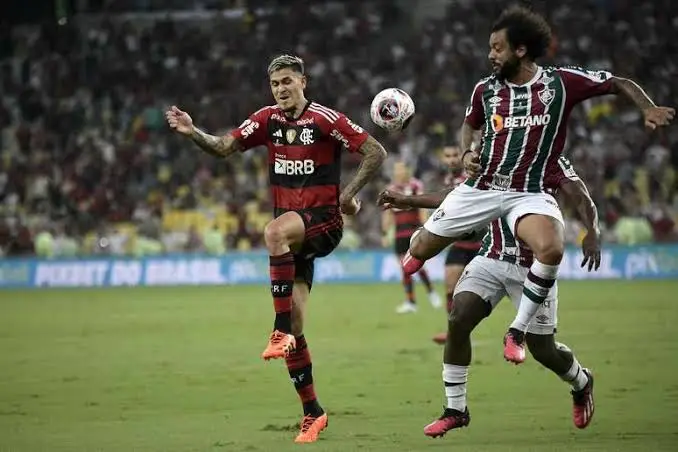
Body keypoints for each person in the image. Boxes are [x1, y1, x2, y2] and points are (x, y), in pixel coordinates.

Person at [400, 5, 675, 364]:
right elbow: (470, 123)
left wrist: (647, 107)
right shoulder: (485, 89)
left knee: (550, 251)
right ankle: (418, 265)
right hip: (484, 190)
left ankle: (517, 331)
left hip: (527, 194)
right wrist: (468, 151)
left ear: (521, 49)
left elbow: (617, 83)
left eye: (497, 47)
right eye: (489, 47)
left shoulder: (559, 83)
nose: (490, 55)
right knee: (417, 250)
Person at [166, 54, 387, 443]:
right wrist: (192, 131)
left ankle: (278, 330)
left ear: (304, 82)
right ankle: (312, 411)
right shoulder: (266, 120)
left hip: (323, 221)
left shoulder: (325, 119)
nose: (281, 89)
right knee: (298, 326)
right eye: (275, 84)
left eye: (287, 81)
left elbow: (375, 151)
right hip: (294, 233)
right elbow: (222, 147)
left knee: (272, 233)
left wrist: (347, 195)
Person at [420, 156, 600, 437]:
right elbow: (458, 196)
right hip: (491, 257)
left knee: (543, 350)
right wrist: (409, 201)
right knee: (458, 319)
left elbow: (580, 196)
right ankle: (456, 410)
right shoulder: (493, 155)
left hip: (534, 267)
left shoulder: (551, 160)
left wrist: (593, 231)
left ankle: (581, 380)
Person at [378, 146, 480, 341]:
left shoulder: (475, 176)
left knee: (497, 289)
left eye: (455, 156)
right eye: (447, 156)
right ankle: (455, 333)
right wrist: (385, 230)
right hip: (459, 243)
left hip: (482, 243)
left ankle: (526, 326)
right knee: (450, 288)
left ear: (466, 156)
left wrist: (427, 227)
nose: (451, 160)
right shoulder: (448, 181)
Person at [382, 161, 441, 314]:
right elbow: (388, 213)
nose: (399, 172)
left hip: (414, 232)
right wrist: (385, 233)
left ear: (406, 170)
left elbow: (422, 208)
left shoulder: (415, 185)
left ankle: (431, 292)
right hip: (399, 234)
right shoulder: (391, 189)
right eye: (397, 169)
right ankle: (411, 301)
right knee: (404, 268)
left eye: (401, 169)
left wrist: (426, 227)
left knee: (418, 265)